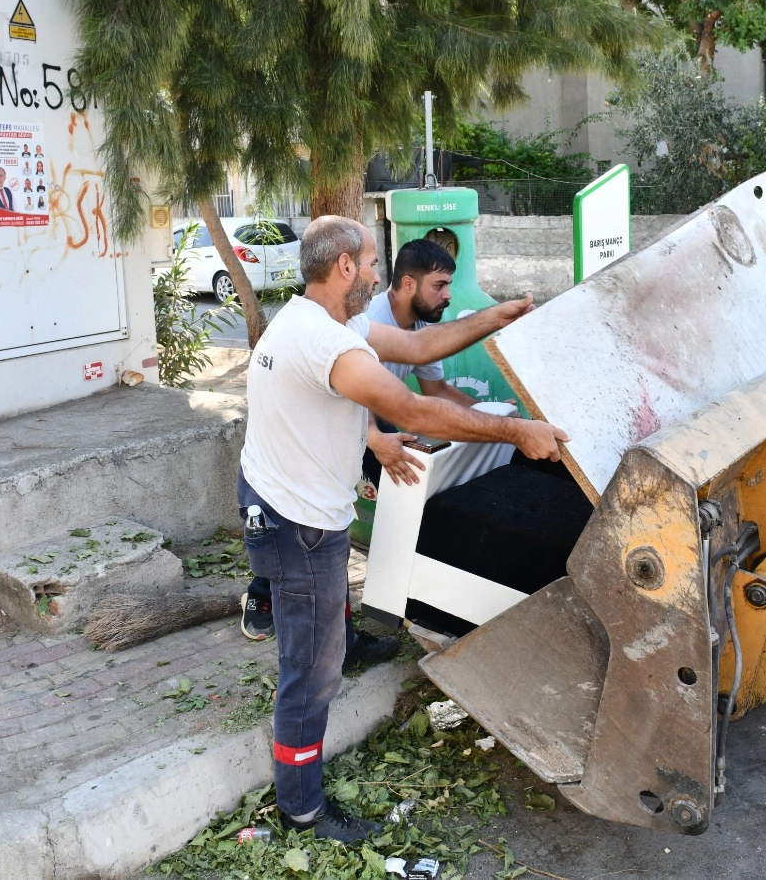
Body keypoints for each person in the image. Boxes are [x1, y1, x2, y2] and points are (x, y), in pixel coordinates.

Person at [239, 215, 565, 845]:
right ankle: (301, 808)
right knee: (310, 673)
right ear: (343, 269)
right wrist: (517, 430)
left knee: (319, 641)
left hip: (281, 500)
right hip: (299, 525)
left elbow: (415, 349)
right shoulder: (327, 344)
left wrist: (496, 318)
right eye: (370, 266)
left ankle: (324, 637)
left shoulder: (330, 319)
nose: (378, 277)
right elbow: (412, 408)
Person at [241, 238, 478, 654]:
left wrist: (498, 413)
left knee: (322, 534)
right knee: (309, 536)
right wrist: (376, 441)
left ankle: (347, 630)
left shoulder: (389, 323)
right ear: (409, 284)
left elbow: (432, 384)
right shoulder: (355, 320)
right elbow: (382, 400)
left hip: (348, 432)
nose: (447, 295)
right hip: (351, 432)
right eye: (440, 286)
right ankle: (273, 600)